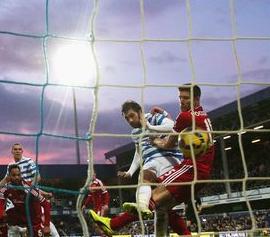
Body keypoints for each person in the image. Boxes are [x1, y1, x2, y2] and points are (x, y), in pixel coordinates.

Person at [89, 84, 215, 237]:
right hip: (200, 171)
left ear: (196, 98)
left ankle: (113, 224)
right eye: (180, 98)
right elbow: (142, 149)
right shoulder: (203, 116)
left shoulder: (184, 117)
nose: (181, 101)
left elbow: (170, 141)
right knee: (162, 207)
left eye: (186, 98)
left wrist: (155, 139)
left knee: (152, 198)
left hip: (190, 169)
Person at [116, 100, 183, 216]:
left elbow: (172, 126)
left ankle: (134, 213)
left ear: (140, 112)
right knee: (161, 209)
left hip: (170, 159)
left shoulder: (153, 118)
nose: (130, 120)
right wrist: (130, 172)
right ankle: (142, 207)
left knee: (162, 205)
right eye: (127, 118)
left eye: (132, 115)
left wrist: (150, 126)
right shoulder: (135, 133)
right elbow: (139, 153)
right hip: (152, 161)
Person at [0, 143, 59, 237]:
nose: (17, 151)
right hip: (16, 196)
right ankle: (20, 230)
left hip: (30, 196)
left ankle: (48, 230)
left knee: (41, 219)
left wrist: (29, 188)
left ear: (22, 151)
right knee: (3, 216)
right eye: (15, 149)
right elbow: (5, 179)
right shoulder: (10, 166)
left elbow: (37, 176)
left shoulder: (29, 161)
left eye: (19, 149)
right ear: (12, 151)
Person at [0, 165, 51, 237]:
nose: (16, 177)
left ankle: (28, 230)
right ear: (9, 176)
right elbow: (0, 207)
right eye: (13, 175)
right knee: (2, 216)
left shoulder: (29, 188)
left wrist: (47, 225)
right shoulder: (4, 189)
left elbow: (46, 204)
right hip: (19, 214)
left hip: (34, 218)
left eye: (18, 175)